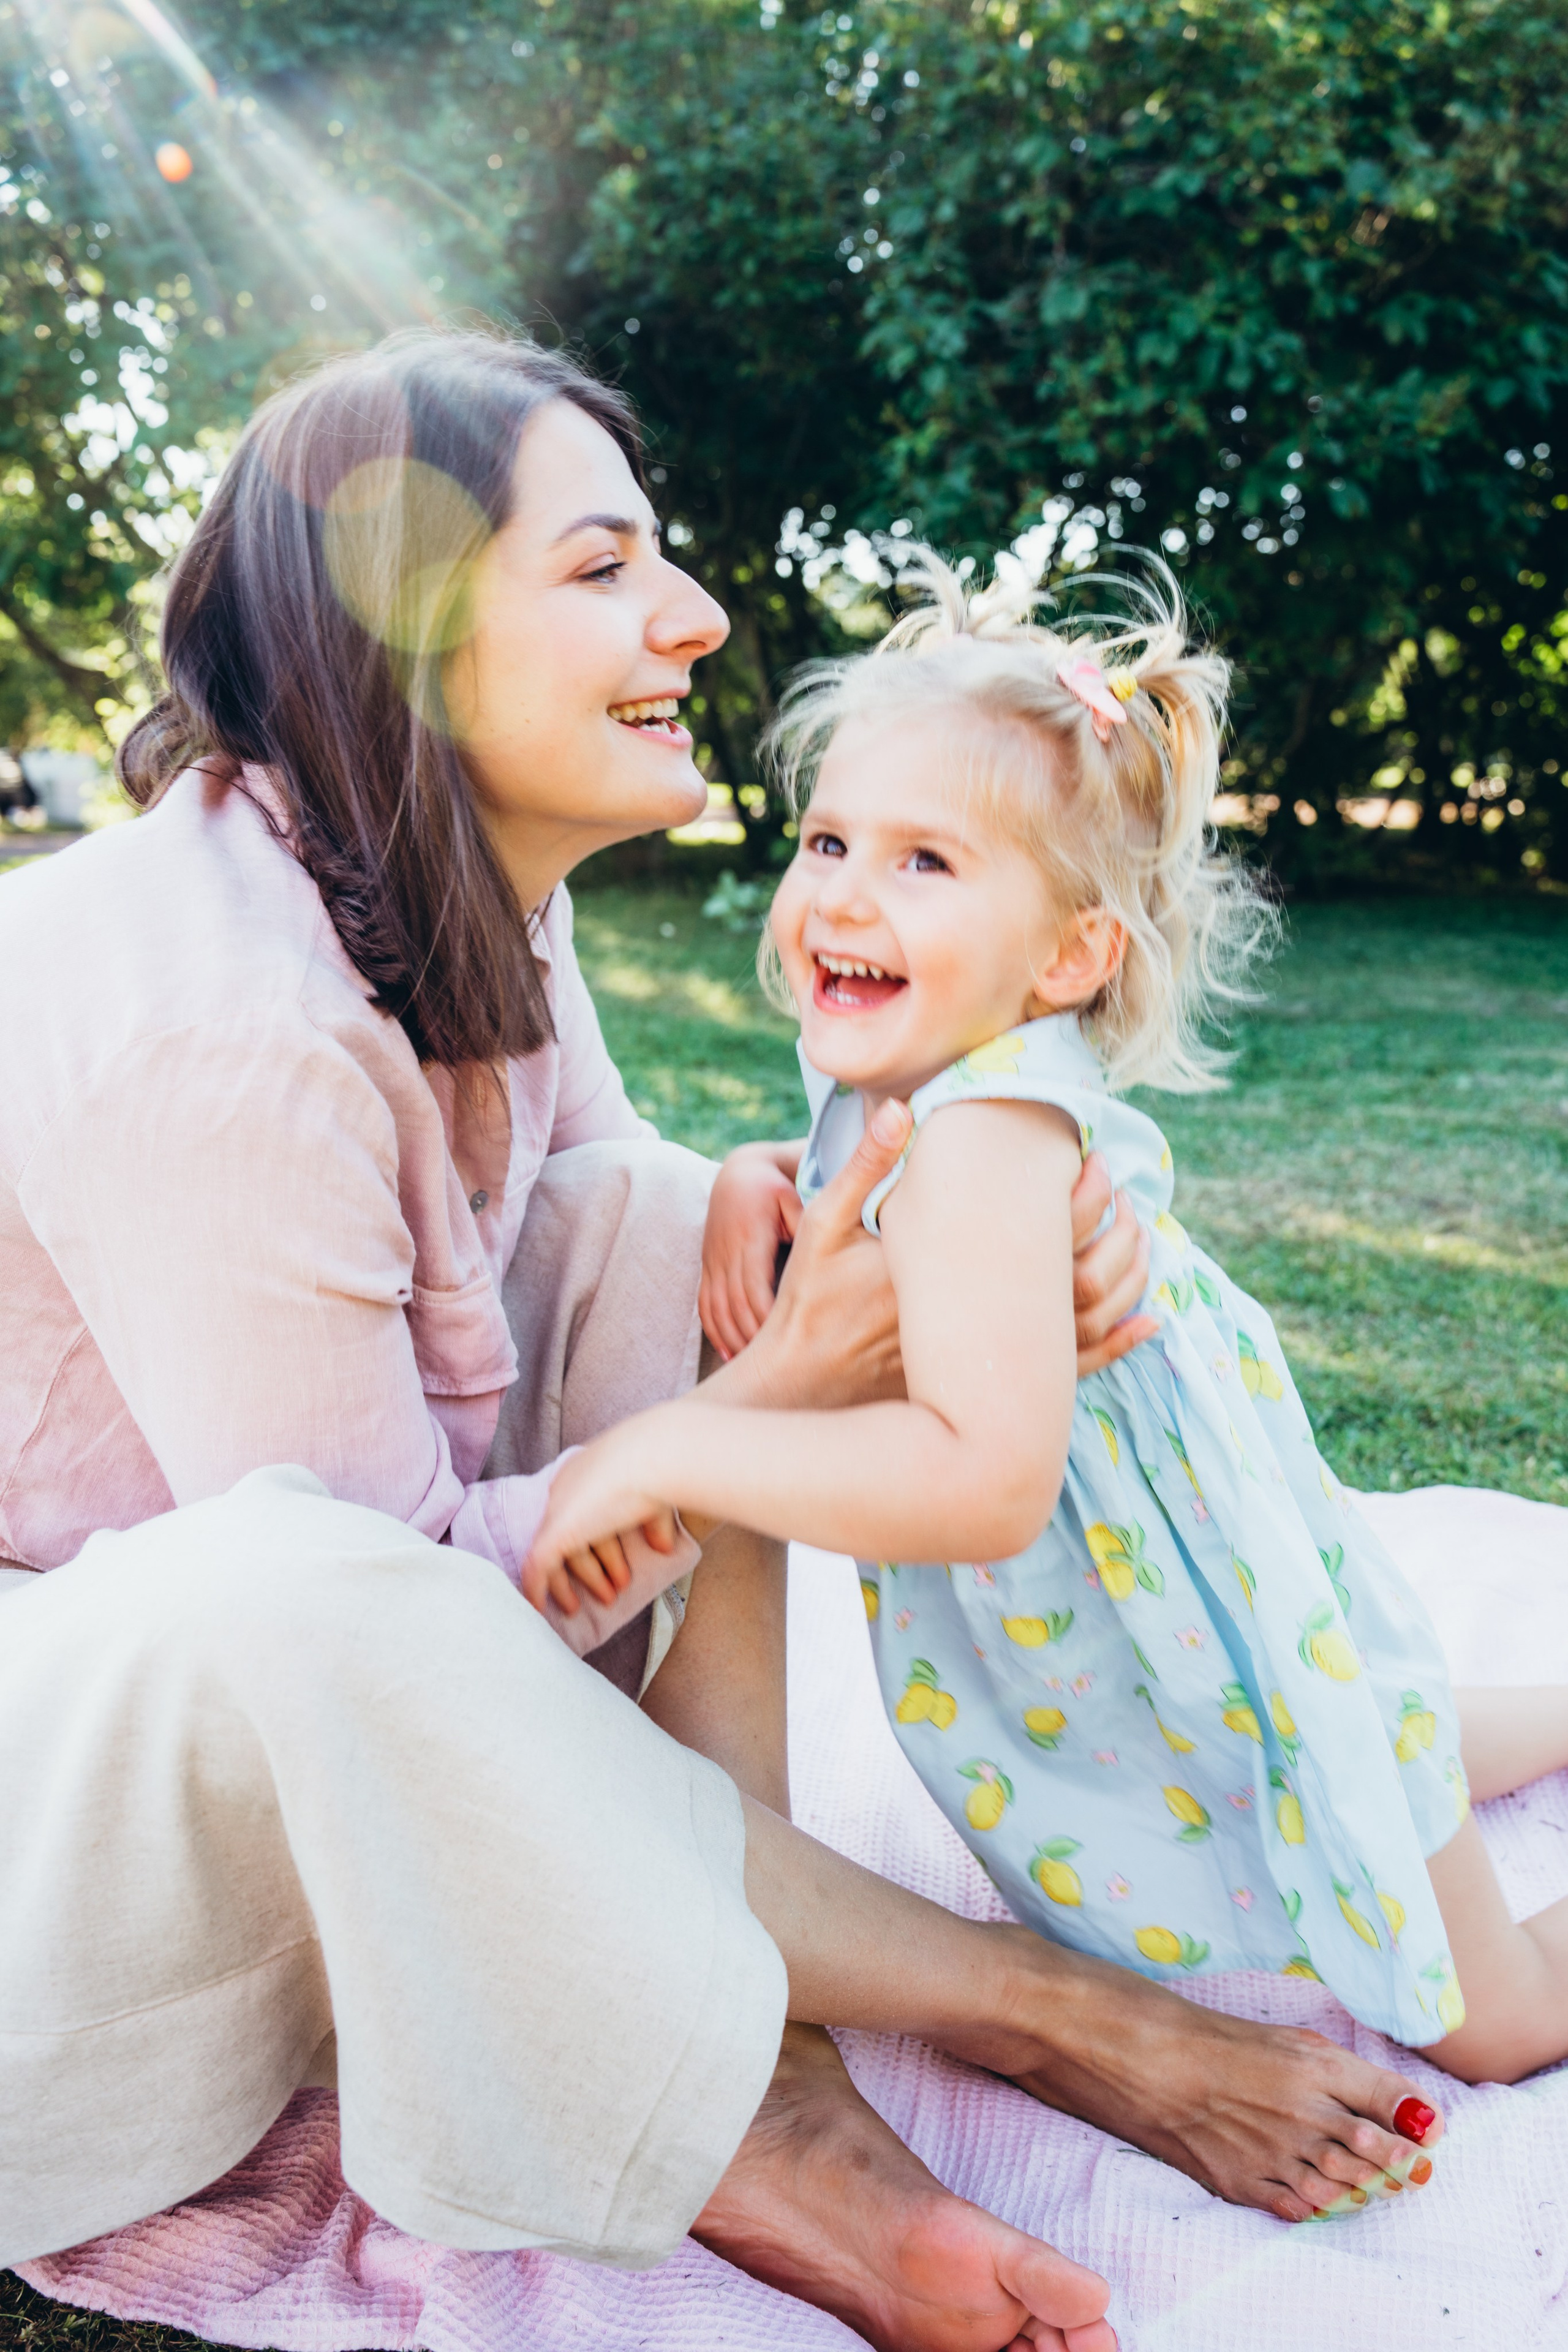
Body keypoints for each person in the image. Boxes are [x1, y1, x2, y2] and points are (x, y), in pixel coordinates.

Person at [0, 334, 1431, 2348]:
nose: (695, 615)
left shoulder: (452, 877)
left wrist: (939, 1238)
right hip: (60, 1781)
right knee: (306, 1578)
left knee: (713, 1233)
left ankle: (765, 2063)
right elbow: (372, 1646)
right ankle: (1007, 2013)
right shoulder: (211, 1025)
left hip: (290, 1649)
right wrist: (756, 1405)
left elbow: (612, 1222)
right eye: (602, 568)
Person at [527, 545, 1553, 2152]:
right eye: (828, 840)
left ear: (1067, 960)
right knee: (1342, 1725)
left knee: (1481, 2010)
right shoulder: (909, 1075)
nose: (846, 893)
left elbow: (987, 1482)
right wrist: (749, 1181)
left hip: (1182, 1593)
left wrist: (667, 1447)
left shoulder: (995, 1135)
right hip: (1134, 1609)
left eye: (927, 862)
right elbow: (864, 1221)